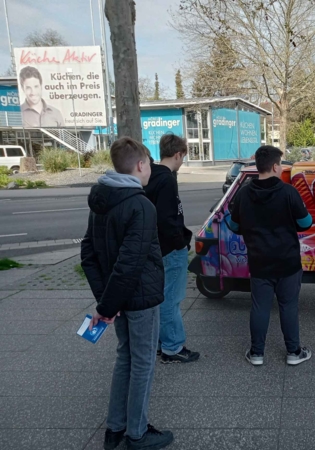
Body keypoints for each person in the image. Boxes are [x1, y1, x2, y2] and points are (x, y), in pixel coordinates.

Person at [81, 137, 174, 449]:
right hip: (139, 299)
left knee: (125, 357)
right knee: (143, 362)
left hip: (118, 299)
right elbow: (130, 265)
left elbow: (88, 254)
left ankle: (115, 429)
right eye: (148, 164)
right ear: (140, 165)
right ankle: (137, 433)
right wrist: (108, 305)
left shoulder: (102, 201)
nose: (150, 169)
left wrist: (106, 302)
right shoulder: (140, 205)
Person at [227, 145, 313, 366]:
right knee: (288, 306)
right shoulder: (288, 192)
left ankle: (256, 353)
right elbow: (306, 223)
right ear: (275, 166)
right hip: (288, 262)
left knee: (259, 307)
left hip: (259, 261)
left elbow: (234, 225)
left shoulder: (244, 193)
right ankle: (294, 352)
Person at [144, 133, 199, 364]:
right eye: (183, 156)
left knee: (162, 298)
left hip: (157, 248)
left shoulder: (153, 175)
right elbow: (168, 219)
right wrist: (181, 243)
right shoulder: (166, 179)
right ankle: (172, 347)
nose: (182, 161)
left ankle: (160, 343)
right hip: (170, 249)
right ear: (178, 154)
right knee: (171, 300)